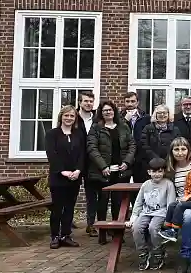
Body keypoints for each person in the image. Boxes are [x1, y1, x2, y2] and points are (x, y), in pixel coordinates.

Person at [86, 100, 135, 245]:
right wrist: (103, 166)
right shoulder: (96, 128)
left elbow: (132, 145)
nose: (108, 112)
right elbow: (92, 148)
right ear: (101, 113)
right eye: (105, 110)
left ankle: (116, 232)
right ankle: (102, 233)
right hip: (103, 173)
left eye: (110, 110)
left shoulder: (123, 127)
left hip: (120, 172)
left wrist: (127, 162)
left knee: (118, 203)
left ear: (114, 111)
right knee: (102, 202)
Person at [125, 157, 176, 271]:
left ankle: (158, 253)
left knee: (153, 228)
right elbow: (138, 202)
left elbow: (171, 203)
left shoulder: (168, 184)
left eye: (159, 171)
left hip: (161, 214)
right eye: (154, 171)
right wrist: (133, 218)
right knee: (136, 228)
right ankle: (143, 253)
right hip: (146, 213)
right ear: (149, 172)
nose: (157, 174)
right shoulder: (146, 184)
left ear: (164, 171)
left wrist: (168, 220)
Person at [44, 105, 84, 249]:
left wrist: (78, 170)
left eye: (72, 116)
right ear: (61, 117)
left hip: (74, 177)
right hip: (58, 177)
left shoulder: (79, 134)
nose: (69, 118)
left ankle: (66, 235)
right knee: (57, 208)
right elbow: (51, 154)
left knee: (69, 208)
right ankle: (55, 236)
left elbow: (82, 154)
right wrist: (62, 171)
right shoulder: (52, 134)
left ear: (75, 119)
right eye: (66, 115)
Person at [75, 91, 98, 236]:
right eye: (86, 101)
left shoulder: (97, 118)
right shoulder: (73, 117)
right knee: (70, 193)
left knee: (92, 195)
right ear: (79, 102)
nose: (88, 103)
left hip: (92, 162)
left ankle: (91, 225)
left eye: (91, 101)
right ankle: (66, 223)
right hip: (75, 161)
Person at [138, 104, 175, 181]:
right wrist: (156, 159)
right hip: (151, 164)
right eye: (159, 113)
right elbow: (144, 145)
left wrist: (167, 160)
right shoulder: (148, 128)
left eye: (165, 113)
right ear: (155, 115)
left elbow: (176, 145)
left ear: (168, 114)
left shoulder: (175, 129)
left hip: (169, 164)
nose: (162, 115)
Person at [121, 91, 150, 182]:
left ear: (137, 102)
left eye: (133, 101)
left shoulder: (145, 118)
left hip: (140, 156)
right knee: (123, 186)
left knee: (140, 184)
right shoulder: (118, 117)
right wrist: (125, 120)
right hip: (124, 156)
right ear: (124, 102)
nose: (130, 104)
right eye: (127, 101)